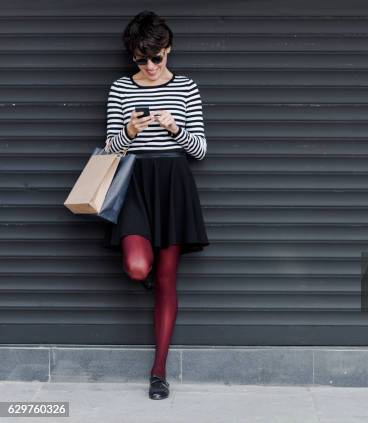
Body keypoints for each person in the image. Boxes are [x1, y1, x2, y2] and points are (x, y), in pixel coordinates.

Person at [101, 10, 210, 400]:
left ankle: (159, 372)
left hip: (173, 184)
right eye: (140, 59)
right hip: (134, 183)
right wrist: (128, 132)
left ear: (169, 49)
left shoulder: (186, 88)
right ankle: (144, 274)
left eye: (156, 57)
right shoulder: (120, 89)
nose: (149, 66)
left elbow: (200, 150)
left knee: (167, 280)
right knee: (137, 267)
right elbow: (111, 151)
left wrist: (173, 127)